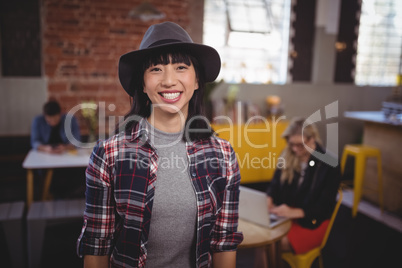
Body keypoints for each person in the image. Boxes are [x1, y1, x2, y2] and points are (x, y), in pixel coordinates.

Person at [77, 21, 243, 268]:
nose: (168, 80)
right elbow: (97, 244)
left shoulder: (223, 154)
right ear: (143, 85)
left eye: (181, 67)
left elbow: (224, 243)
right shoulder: (109, 154)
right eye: (156, 69)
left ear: (197, 81)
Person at [266, 117, 340, 255]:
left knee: (270, 243)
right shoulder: (288, 155)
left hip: (312, 221)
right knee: (265, 240)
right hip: (288, 216)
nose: (294, 149)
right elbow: (275, 184)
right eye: (291, 144)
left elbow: (325, 206)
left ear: (312, 140)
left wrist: (296, 212)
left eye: (300, 145)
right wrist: (269, 198)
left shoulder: (328, 164)